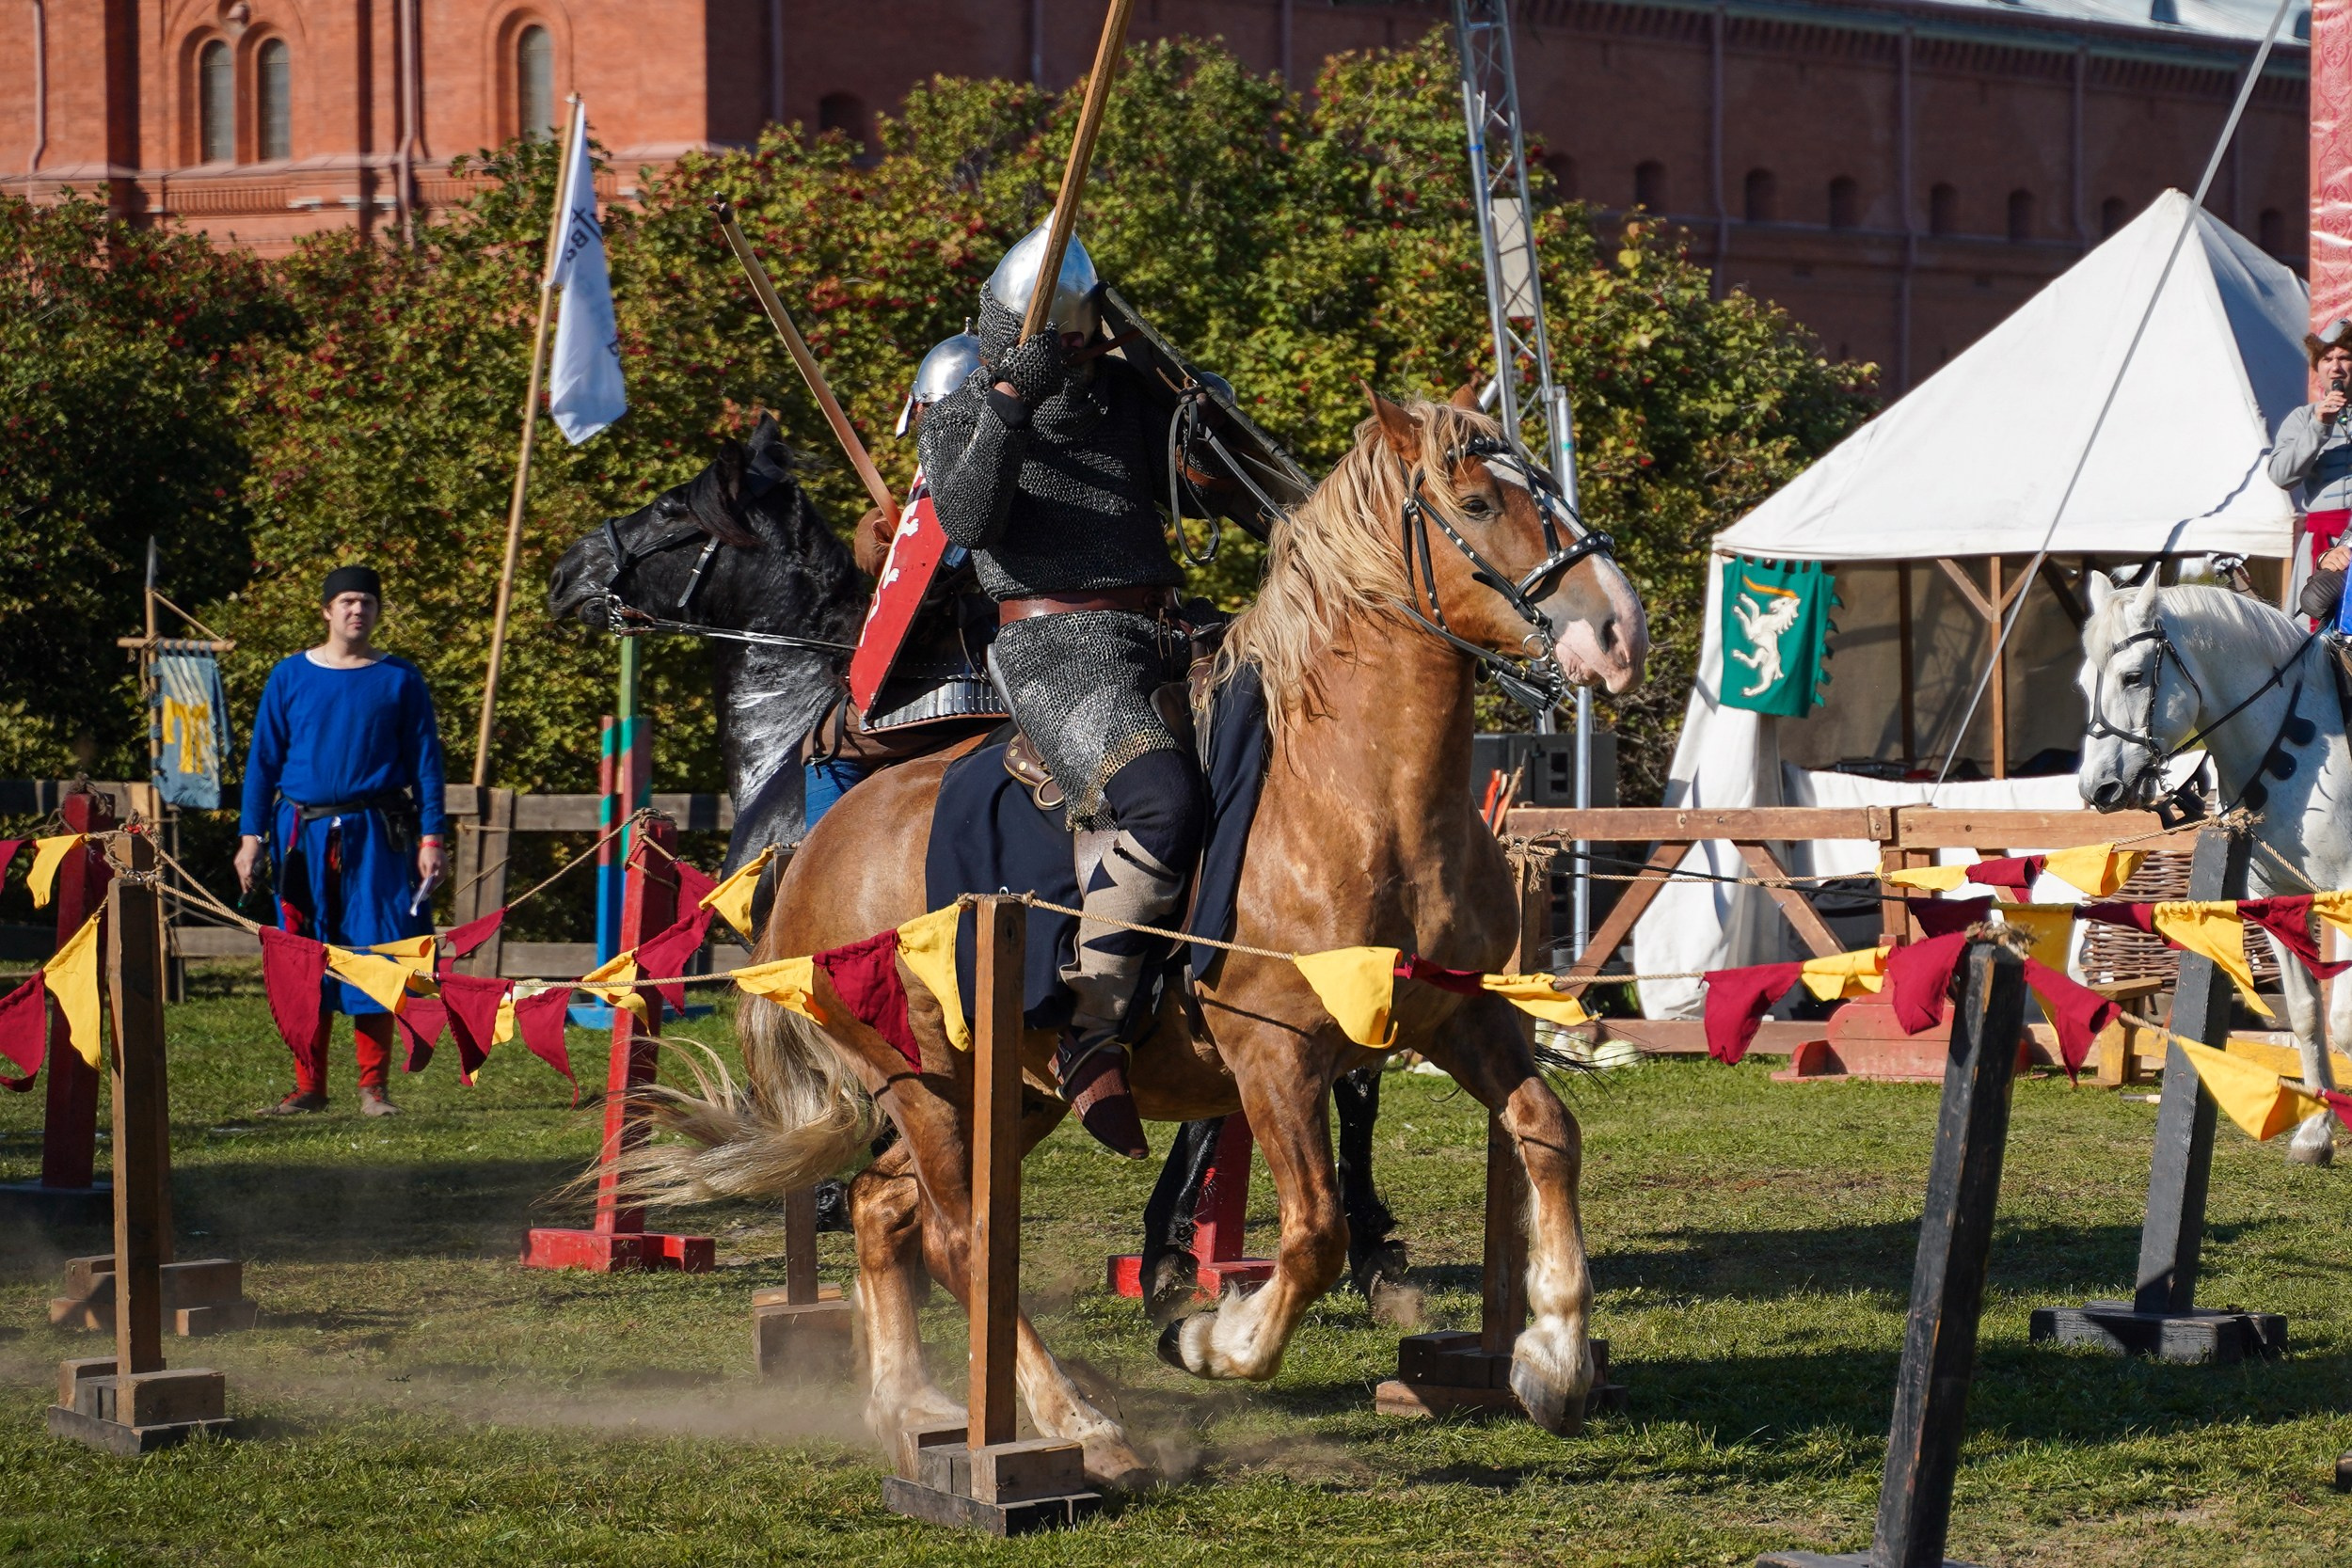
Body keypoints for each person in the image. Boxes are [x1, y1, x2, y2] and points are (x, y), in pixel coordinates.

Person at [917, 225, 1204, 1160]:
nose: (1078, 355)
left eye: (1090, 336)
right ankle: (1092, 1022)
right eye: (1065, 338)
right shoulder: (963, 404)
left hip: (1169, 630)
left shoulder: (1120, 399)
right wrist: (1010, 401)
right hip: (1057, 645)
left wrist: (1171, 371)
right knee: (1158, 800)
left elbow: (1205, 486)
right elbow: (965, 518)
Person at [236, 565, 449, 1116]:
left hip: (377, 836)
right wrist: (250, 837)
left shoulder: (400, 679)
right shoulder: (289, 676)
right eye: (348, 601)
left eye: (368, 603)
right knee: (306, 955)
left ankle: (372, 1088)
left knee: (375, 954)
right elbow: (262, 763)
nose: (358, 611)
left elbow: (427, 765)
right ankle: (309, 1086)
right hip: (301, 836)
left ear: (378, 613)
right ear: (327, 610)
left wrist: (432, 837)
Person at [2269, 319, 2352, 626]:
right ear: (2318, 369)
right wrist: (2319, 426)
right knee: (2306, 645)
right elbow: (2282, 475)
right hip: (2319, 546)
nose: (2336, 367)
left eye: (2345, 357)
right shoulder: (2301, 419)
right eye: (2327, 359)